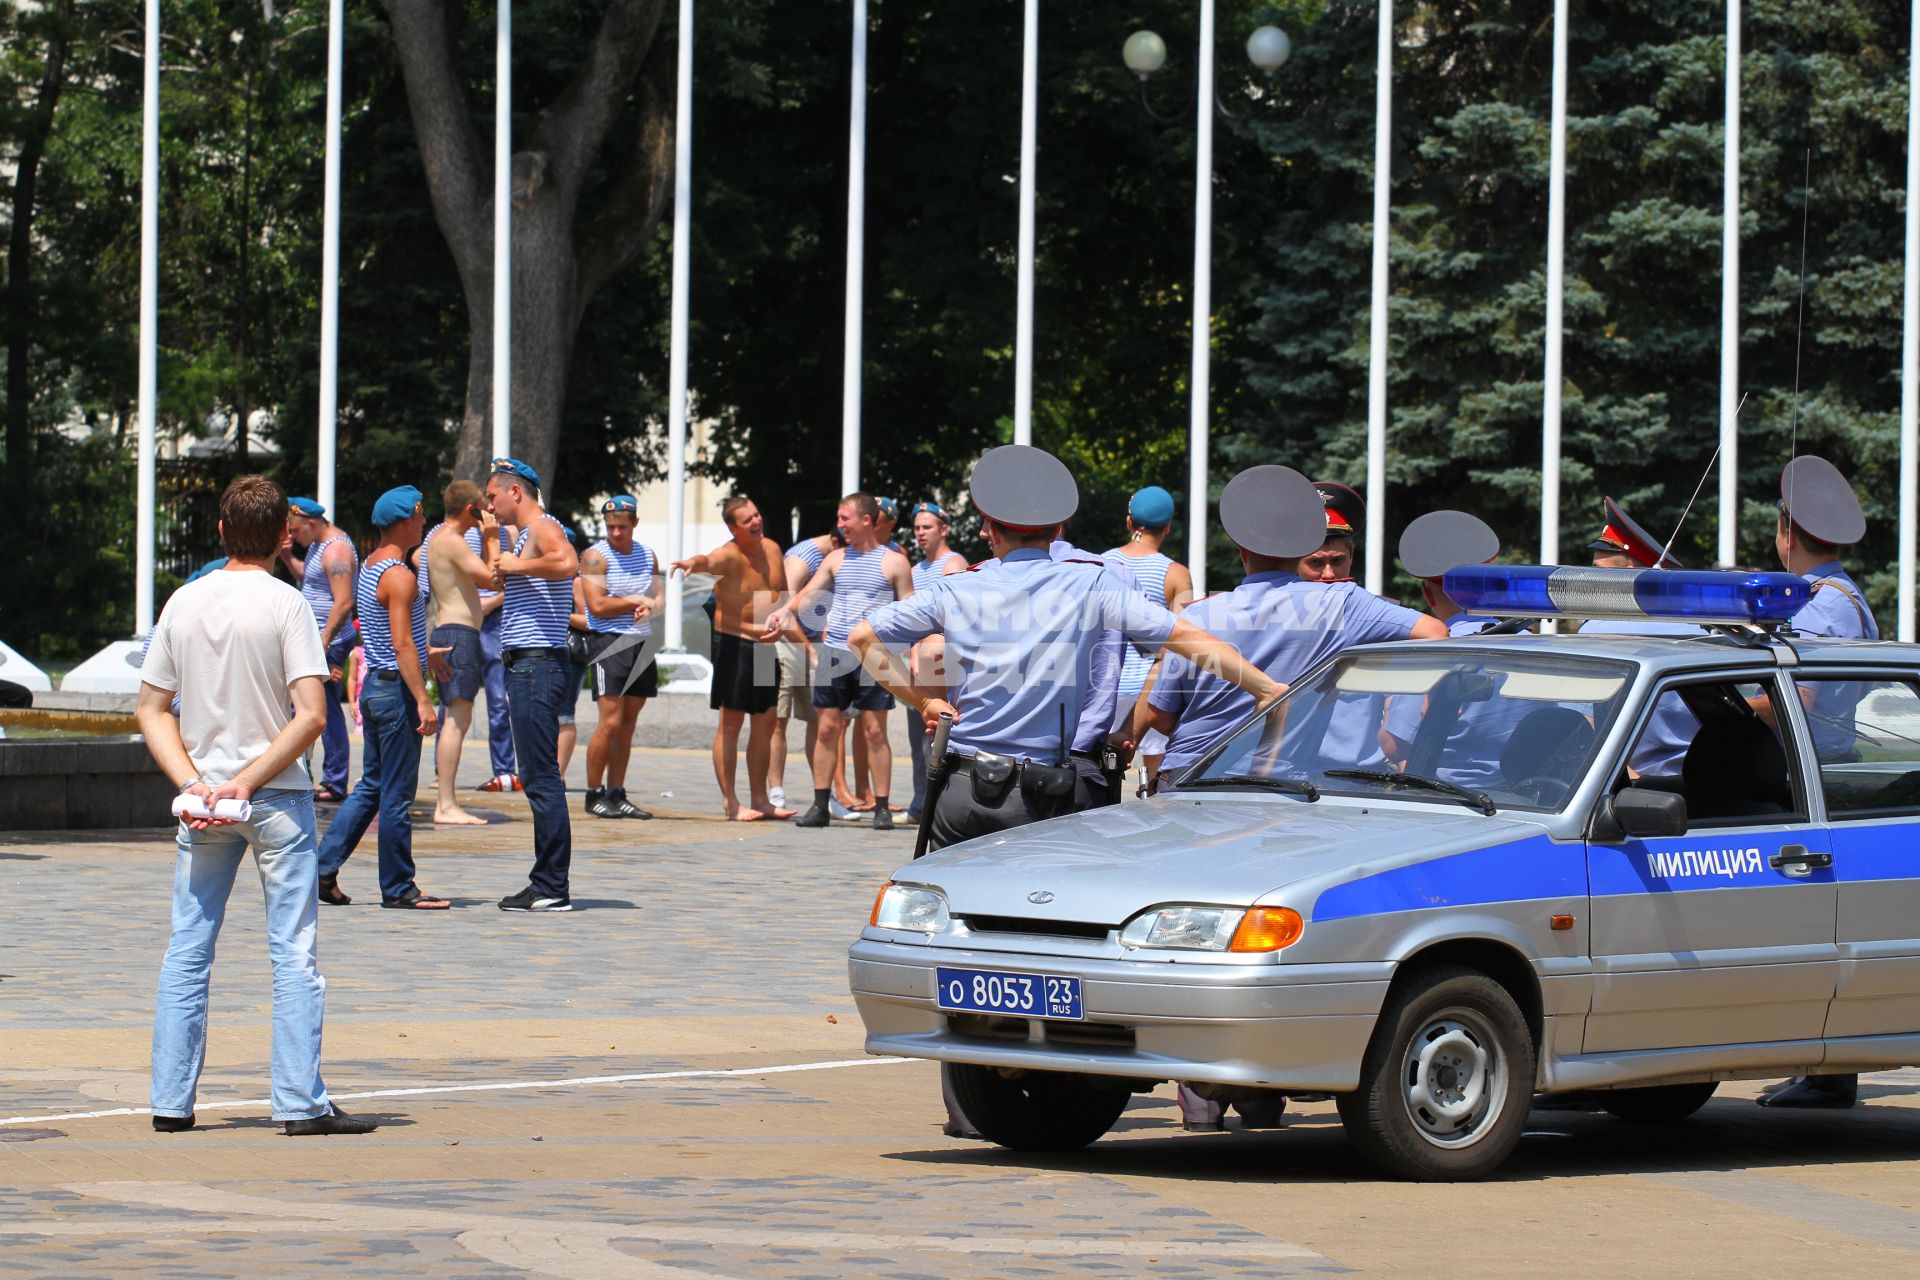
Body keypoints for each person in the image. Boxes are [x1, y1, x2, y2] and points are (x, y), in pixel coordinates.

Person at [847, 445, 1286, 1138]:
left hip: (968, 788)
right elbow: (1182, 637)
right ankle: (1064, 1078)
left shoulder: (959, 589)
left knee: (966, 942)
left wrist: (920, 701)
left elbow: (862, 634)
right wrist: (1265, 687)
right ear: (1058, 532)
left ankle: (968, 1106)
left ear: (988, 530)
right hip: (1058, 798)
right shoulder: (1091, 586)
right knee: (1066, 945)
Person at [137, 473, 376, 1136]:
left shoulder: (183, 602)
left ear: (220, 532)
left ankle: (170, 1101)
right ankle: (299, 1101)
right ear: (282, 537)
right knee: (293, 951)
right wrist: (247, 781)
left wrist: (193, 781)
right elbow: (310, 714)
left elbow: (152, 708)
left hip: (203, 801)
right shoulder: (285, 605)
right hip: (274, 798)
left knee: (188, 947)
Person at [1760, 455, 1879, 1111]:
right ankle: (1827, 1066)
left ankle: (1828, 1071)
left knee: (1814, 927)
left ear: (1787, 532)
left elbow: (1793, 700)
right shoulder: (1844, 596)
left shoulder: (1820, 610)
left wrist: (1727, 705)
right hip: (1827, 775)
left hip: (1805, 781)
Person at [315, 487, 449, 910]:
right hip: (395, 692)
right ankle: (398, 888)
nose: (424, 523)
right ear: (407, 521)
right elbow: (402, 642)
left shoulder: (373, 565)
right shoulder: (399, 574)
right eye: (420, 517)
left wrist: (427, 656)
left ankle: (320, 869)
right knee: (395, 795)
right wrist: (423, 700)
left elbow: (387, 637)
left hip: (376, 685)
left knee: (371, 786)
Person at [767, 493, 913, 830]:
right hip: (835, 650)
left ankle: (881, 807)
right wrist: (783, 612)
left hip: (875, 653)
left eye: (846, 517)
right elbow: (808, 595)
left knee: (876, 731)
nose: (840, 524)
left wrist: (911, 649)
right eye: (839, 517)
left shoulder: (894, 562)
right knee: (828, 729)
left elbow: (910, 609)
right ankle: (820, 804)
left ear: (867, 520)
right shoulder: (836, 558)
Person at [485, 458, 580, 912]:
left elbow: (568, 562)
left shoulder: (542, 526)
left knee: (541, 777)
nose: (490, 504)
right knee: (539, 776)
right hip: (528, 664)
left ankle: (550, 885)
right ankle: (547, 881)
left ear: (515, 492)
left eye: (493, 496)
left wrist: (515, 566)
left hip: (537, 664)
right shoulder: (524, 536)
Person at [672, 495, 796, 821]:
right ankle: (731, 802)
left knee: (766, 723)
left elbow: (782, 595)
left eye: (756, 515)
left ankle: (761, 799)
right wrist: (690, 564)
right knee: (731, 725)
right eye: (747, 520)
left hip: (766, 646)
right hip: (734, 645)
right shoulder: (728, 555)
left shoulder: (771, 549)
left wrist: (782, 621)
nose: (756, 522)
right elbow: (706, 561)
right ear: (733, 528)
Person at [580, 495, 663, 819]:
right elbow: (597, 605)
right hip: (609, 641)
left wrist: (651, 606)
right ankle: (593, 793)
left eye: (621, 527)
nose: (615, 532)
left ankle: (617, 792)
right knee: (610, 722)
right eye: (611, 526)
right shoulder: (595, 558)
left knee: (628, 725)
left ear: (635, 524)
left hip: (640, 642)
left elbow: (659, 597)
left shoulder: (647, 554)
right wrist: (633, 601)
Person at [1103, 486, 1192, 785]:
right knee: (1154, 778)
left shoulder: (1100, 563)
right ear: (1168, 527)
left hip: (1105, 684)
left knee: (1100, 773)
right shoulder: (1176, 573)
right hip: (1150, 689)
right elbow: (1177, 642)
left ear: (1129, 523)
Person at [424, 480, 500, 826]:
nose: (489, 512)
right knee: (457, 719)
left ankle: (447, 801)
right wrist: (492, 538)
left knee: (456, 718)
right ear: (471, 510)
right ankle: (447, 804)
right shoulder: (453, 541)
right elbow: (492, 579)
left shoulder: (438, 538)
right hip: (459, 632)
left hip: (451, 629)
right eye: (484, 506)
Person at [278, 497, 357, 803]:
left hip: (330, 642)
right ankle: (322, 775)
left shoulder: (336, 549)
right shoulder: (316, 545)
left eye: (295, 531)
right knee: (316, 707)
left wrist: (322, 642)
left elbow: (344, 602)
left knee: (324, 709)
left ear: (312, 523)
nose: (293, 536)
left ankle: (335, 781)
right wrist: (286, 556)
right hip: (316, 640)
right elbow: (307, 578)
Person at [904, 501, 968, 822]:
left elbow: (951, 619)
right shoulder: (915, 571)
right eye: (917, 528)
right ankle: (920, 802)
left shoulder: (952, 563)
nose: (920, 534)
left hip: (939, 664)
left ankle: (937, 801)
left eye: (926, 527)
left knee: (939, 736)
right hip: (917, 664)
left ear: (943, 528)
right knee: (919, 741)